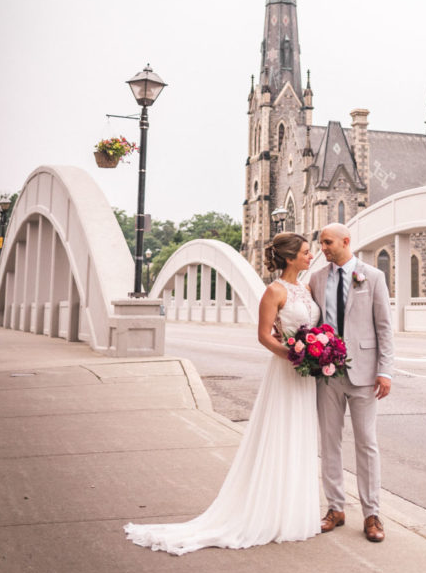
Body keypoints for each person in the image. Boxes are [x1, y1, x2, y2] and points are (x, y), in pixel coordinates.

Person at [124, 232, 321, 554]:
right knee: (280, 434)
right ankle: (268, 512)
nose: (310, 256)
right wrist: (294, 355)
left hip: (306, 376)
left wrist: (318, 350)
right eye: (305, 252)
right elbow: (264, 337)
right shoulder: (274, 291)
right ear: (289, 257)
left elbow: (313, 327)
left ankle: (294, 511)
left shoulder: (307, 288)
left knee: (299, 436)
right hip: (287, 371)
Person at [309, 223, 394, 543]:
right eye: (320, 244)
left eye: (328, 243)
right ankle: (335, 507)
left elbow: (384, 328)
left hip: (364, 374)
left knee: (366, 443)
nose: (323, 249)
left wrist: (385, 371)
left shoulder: (372, 277)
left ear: (346, 241)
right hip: (327, 374)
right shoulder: (316, 279)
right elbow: (310, 320)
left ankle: (372, 513)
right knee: (329, 442)